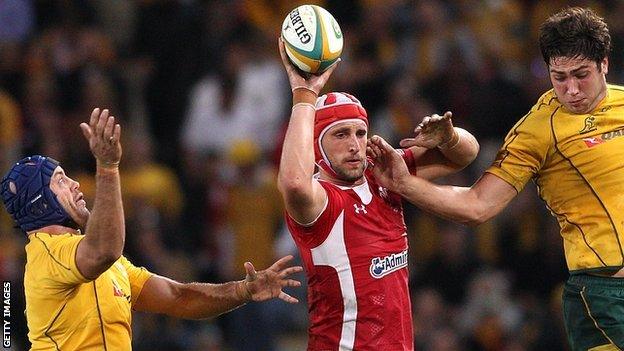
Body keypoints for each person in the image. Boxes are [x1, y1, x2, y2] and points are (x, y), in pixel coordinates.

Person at [366, 7, 624, 351]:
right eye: (559, 77)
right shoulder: (536, 131)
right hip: (604, 296)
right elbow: (477, 205)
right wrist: (405, 184)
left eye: (581, 75)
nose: (571, 89)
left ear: (604, 63)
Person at [0, 108, 303, 350]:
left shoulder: (99, 261)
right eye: (61, 181)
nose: (76, 184)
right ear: (40, 202)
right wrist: (107, 167)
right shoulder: (48, 254)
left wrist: (242, 290)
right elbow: (104, 248)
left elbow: (176, 297)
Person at [276, 38, 479, 350]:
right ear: (315, 145)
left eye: (360, 133)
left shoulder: (383, 173)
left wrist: (449, 136)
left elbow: (466, 154)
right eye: (341, 135)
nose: (354, 144)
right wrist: (304, 95)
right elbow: (293, 181)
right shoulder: (321, 202)